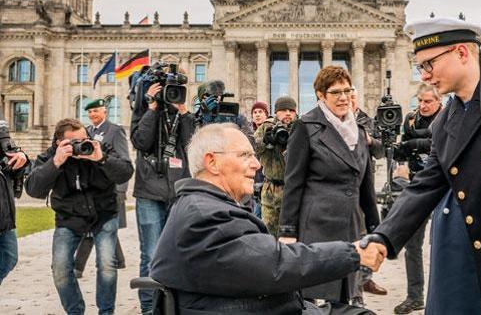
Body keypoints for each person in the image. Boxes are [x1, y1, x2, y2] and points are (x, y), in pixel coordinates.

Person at [360, 18, 481, 315]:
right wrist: (384, 236)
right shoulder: (445, 121)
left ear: (461, 53)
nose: (425, 76)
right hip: (462, 250)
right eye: (420, 67)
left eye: (429, 64)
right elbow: (427, 183)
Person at [149, 123, 382, 314]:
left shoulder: (201, 207)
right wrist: (353, 253)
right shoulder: (204, 216)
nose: (257, 164)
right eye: (244, 155)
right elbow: (278, 266)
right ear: (212, 162)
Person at [279, 66, 380, 305]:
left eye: (347, 90)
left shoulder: (359, 130)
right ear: (321, 95)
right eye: (336, 92)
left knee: (348, 299)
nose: (343, 97)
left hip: (351, 228)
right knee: (317, 299)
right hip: (318, 228)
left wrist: (376, 229)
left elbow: (366, 186)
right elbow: (293, 183)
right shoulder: (306, 127)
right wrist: (287, 232)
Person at [25, 118, 133, 315]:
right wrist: (56, 162)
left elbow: (126, 172)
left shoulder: (97, 148)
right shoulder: (51, 156)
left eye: (84, 139)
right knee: (60, 269)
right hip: (69, 217)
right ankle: (75, 312)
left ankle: (106, 312)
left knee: (107, 264)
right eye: (73, 142)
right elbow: (33, 188)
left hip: (104, 214)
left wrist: (101, 159)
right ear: (59, 143)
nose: (81, 145)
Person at [130, 82, 195, 314]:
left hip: (177, 191)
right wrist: (152, 107)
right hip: (149, 191)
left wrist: (184, 112)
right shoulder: (145, 110)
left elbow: (192, 145)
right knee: (150, 253)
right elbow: (141, 141)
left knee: (179, 251)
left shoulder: (182, 115)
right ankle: (149, 308)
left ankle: (175, 304)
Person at [391, 83, 442, 314]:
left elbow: (440, 145)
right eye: (419, 101)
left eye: (427, 102)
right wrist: (401, 153)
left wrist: (414, 144)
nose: (422, 106)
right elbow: (402, 149)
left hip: (445, 187)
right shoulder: (411, 119)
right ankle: (415, 296)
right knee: (413, 245)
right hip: (417, 184)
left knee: (442, 243)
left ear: (439, 101)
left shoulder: (447, 117)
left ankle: (443, 295)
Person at [73, 98, 131, 278]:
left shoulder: (114, 131)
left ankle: (77, 268)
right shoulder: (87, 131)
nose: (92, 115)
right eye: (89, 112)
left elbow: (124, 161)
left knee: (91, 226)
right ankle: (119, 260)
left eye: (95, 111)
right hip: (91, 189)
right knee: (105, 225)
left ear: (104, 111)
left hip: (110, 188)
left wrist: (121, 189)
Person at [350, 88, 387, 305]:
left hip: (364, 183)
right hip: (341, 186)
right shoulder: (332, 120)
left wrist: (371, 140)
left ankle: (363, 280)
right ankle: (354, 290)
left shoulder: (367, 121)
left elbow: (381, 151)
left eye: (353, 95)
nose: (349, 100)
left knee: (363, 234)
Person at [254, 96, 297, 237]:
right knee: (269, 232)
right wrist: (265, 141)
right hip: (270, 189)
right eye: (284, 110)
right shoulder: (267, 127)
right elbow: (252, 148)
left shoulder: (300, 128)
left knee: (293, 233)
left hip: (293, 189)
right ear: (276, 112)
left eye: (291, 110)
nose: (288, 113)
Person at [0, 120, 30, 285]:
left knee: (10, 257)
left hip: (5, 214)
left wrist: (21, 158)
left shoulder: (2, 137)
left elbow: (13, 168)